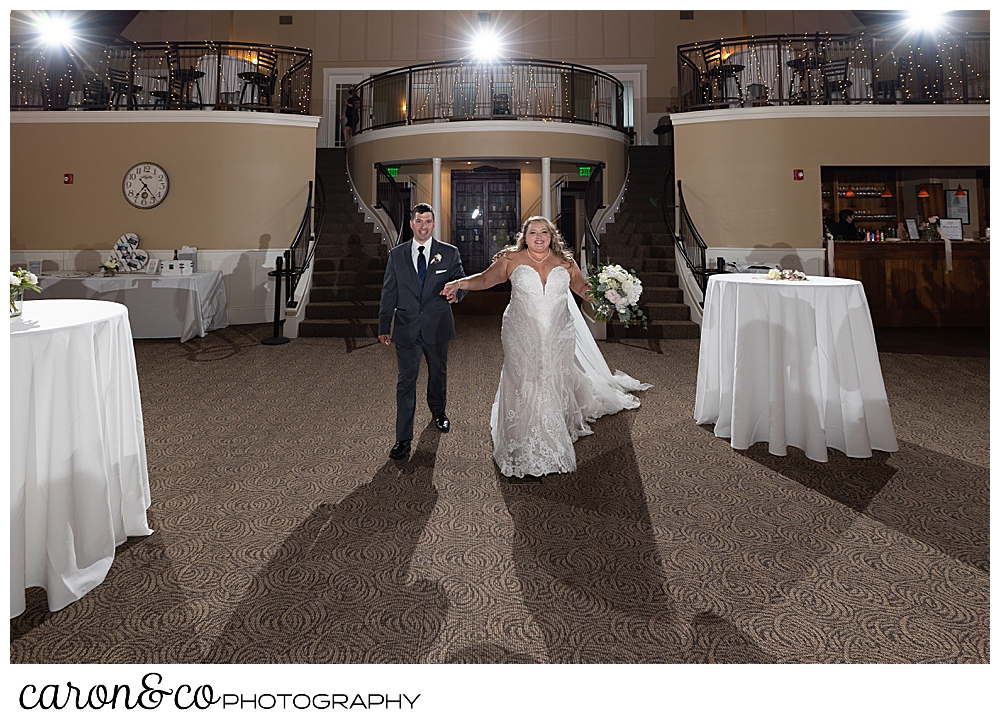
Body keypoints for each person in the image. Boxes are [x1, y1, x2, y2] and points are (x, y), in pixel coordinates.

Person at [442, 216, 650, 479]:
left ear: (552, 236)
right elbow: (485, 280)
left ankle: (551, 434)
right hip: (520, 331)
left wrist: (606, 297)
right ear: (524, 236)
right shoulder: (511, 259)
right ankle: (520, 436)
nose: (539, 237)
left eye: (544, 232)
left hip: (558, 334)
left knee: (551, 379)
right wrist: (459, 283)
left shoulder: (565, 261)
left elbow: (583, 288)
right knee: (523, 378)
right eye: (533, 233)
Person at [379, 203, 467, 461]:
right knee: (406, 382)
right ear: (411, 223)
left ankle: (439, 413)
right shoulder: (396, 255)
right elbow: (389, 292)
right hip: (406, 328)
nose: (424, 226)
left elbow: (461, 281)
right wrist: (385, 326)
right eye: (419, 221)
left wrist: (457, 293)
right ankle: (403, 438)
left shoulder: (449, 253)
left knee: (437, 374)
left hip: (437, 326)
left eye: (428, 221)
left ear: (434, 224)